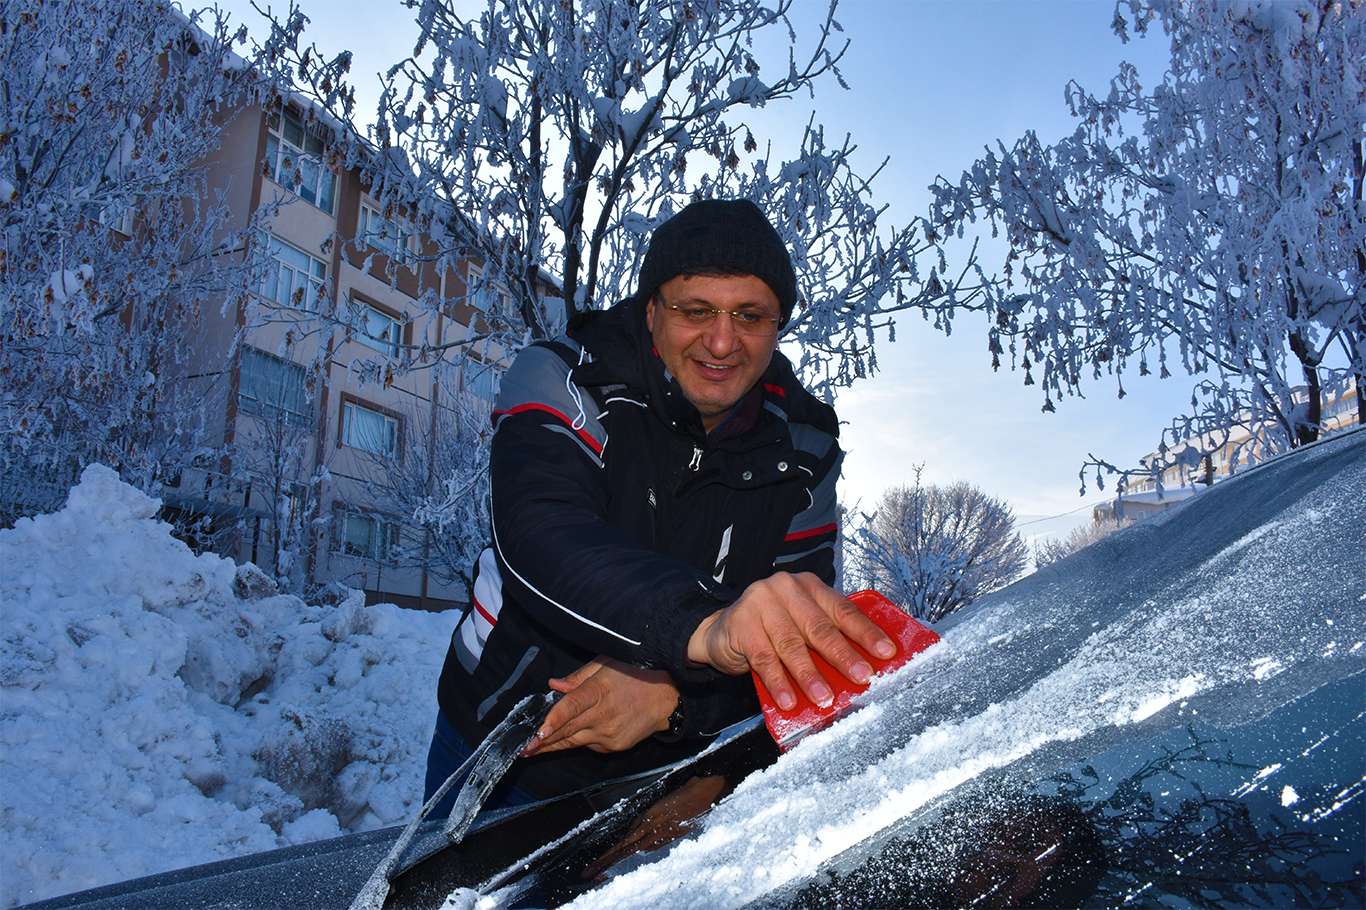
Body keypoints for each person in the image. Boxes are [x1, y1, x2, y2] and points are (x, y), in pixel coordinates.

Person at [425, 199, 895, 809]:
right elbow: (543, 534)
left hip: (666, 774)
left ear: (777, 326)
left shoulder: (807, 447)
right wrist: (701, 630)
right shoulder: (564, 375)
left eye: (750, 316)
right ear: (651, 311)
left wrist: (679, 701)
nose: (722, 341)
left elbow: (793, 646)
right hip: (501, 744)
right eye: (695, 310)